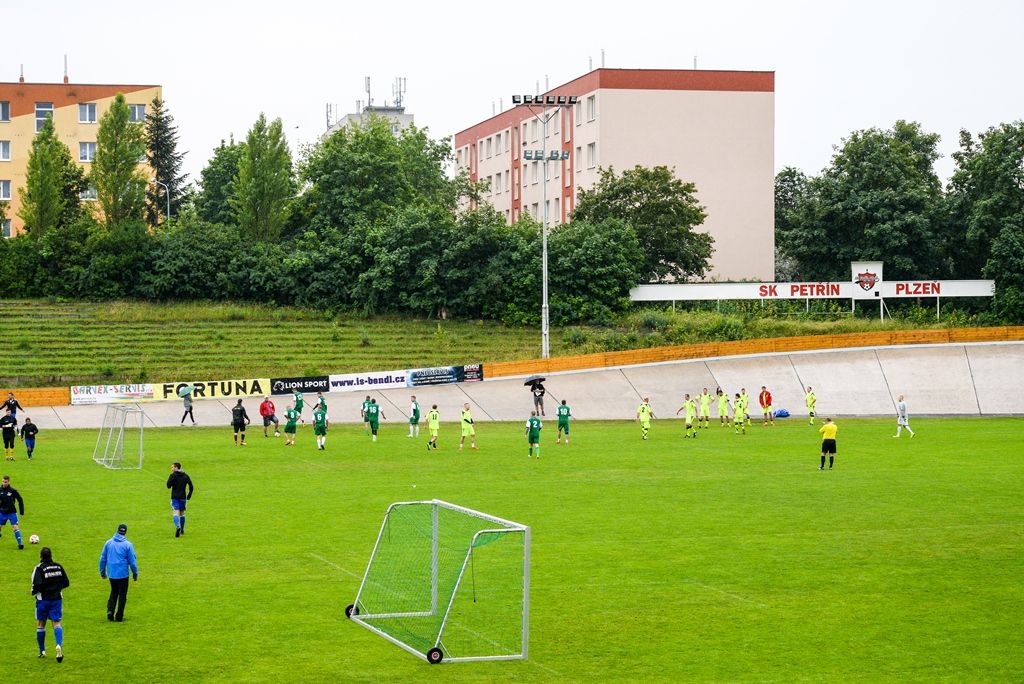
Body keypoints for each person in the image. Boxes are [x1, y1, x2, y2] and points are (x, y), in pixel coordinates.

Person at [32, 546, 70, 662]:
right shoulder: (58, 566)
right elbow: (66, 582)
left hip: (43, 600)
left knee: (41, 624)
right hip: (56, 599)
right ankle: (59, 645)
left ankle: (42, 651)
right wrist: (57, 589)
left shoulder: (39, 568)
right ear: (51, 555)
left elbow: (36, 584)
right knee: (56, 623)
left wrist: (34, 591)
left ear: (41, 556)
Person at [99, 523, 138, 622]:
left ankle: (110, 611)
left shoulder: (108, 543)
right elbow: (133, 562)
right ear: (125, 532)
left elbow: (102, 559)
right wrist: (135, 574)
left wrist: (103, 572)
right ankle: (119, 616)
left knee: (114, 591)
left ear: (117, 530)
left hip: (112, 573)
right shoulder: (128, 545)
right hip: (123, 574)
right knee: (122, 595)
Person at [166, 462, 194, 538]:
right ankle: (182, 530)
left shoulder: (173, 475)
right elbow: (191, 486)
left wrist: (171, 480)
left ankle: (177, 526)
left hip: (175, 497)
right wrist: (189, 495)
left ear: (176, 467)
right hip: (183, 498)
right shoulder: (185, 475)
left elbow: (168, 486)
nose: (171, 469)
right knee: (182, 513)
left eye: (172, 467)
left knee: (175, 513)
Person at [0, 474, 25, 548]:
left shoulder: (13, 491)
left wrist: (21, 511)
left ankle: (20, 544)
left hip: (12, 513)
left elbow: (20, 499)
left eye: (5, 482)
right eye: (3, 481)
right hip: (2, 512)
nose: (4, 483)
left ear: (9, 482)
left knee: (15, 527)